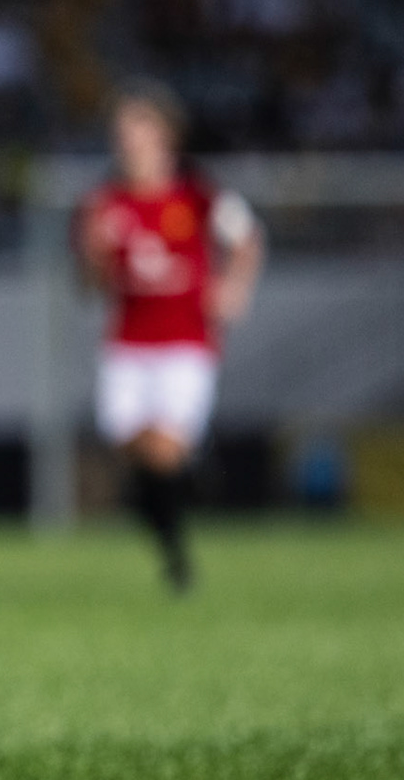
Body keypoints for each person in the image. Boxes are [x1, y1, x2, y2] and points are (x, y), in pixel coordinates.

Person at [78, 81, 264, 591]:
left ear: (164, 134)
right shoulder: (104, 204)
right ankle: (186, 502)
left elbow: (247, 238)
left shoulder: (199, 195)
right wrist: (92, 256)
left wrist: (233, 287)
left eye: (138, 127)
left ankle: (177, 555)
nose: (127, 140)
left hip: (184, 343)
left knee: (160, 451)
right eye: (122, 130)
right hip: (127, 346)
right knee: (134, 452)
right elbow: (90, 287)